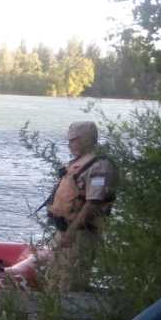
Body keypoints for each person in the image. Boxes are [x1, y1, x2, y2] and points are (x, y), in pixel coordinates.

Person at [45, 121, 119, 291]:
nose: (69, 144)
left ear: (86, 139)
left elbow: (93, 202)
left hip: (80, 233)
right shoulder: (78, 162)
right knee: (54, 278)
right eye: (69, 140)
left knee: (71, 281)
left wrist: (71, 232)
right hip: (65, 230)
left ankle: (68, 307)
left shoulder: (99, 166)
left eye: (73, 140)